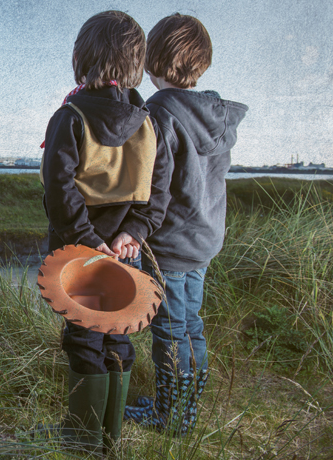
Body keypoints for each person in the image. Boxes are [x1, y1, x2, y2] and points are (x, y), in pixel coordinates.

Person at [39, 10, 172, 454]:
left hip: (79, 254)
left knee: (83, 338)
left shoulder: (70, 116)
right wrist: (133, 232)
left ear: (81, 58)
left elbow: (59, 189)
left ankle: (82, 441)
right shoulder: (150, 122)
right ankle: (110, 441)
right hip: (126, 251)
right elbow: (159, 192)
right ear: (137, 64)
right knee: (118, 334)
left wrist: (86, 238)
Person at [123, 13, 247, 436]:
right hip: (205, 239)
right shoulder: (214, 114)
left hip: (172, 244)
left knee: (171, 330)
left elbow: (149, 182)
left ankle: (172, 416)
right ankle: (186, 406)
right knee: (191, 323)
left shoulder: (160, 113)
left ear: (152, 61)